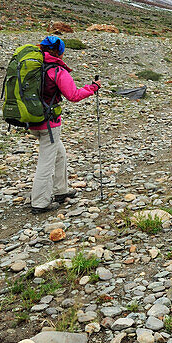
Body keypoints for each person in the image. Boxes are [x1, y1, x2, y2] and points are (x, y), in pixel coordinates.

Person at [29, 35, 100, 214]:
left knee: (59, 154)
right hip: (49, 124)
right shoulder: (56, 70)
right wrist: (92, 88)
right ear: (59, 52)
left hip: (33, 120)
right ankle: (39, 202)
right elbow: (73, 95)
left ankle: (61, 191)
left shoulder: (33, 66)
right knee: (46, 162)